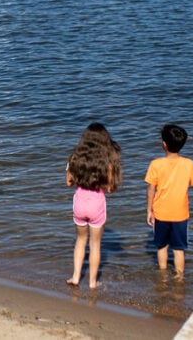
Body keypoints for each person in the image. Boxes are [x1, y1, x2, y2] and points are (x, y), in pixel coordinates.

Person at [145, 123, 193, 279]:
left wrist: (149, 210)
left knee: (161, 247)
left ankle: (162, 275)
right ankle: (179, 278)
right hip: (180, 214)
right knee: (178, 249)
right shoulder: (188, 164)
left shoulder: (156, 164)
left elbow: (151, 190)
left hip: (160, 213)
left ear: (164, 144)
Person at [65, 122, 122, 289]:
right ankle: (92, 282)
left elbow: (68, 182)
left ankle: (75, 277)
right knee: (95, 244)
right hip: (97, 204)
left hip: (79, 203)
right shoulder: (108, 162)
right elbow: (111, 188)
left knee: (81, 240)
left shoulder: (74, 158)